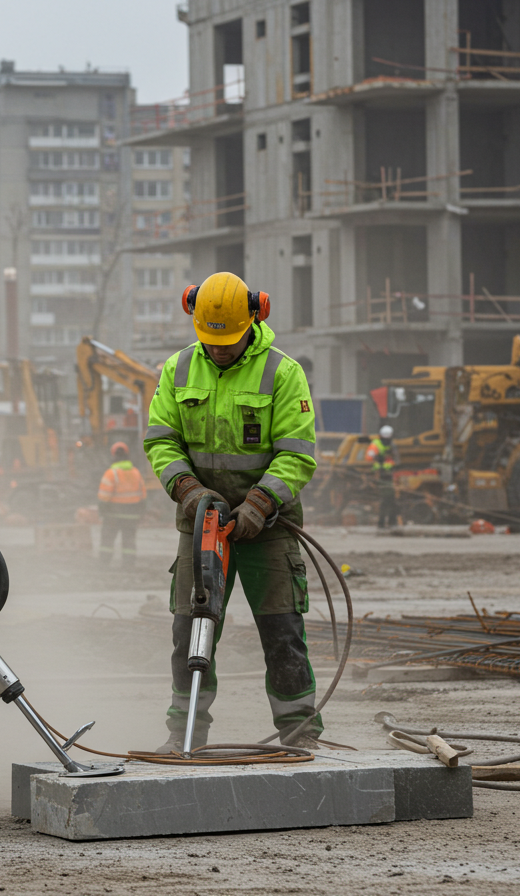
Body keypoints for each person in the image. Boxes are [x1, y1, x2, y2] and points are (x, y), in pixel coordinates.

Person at [144, 272, 320, 752]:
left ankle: (299, 734)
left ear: (254, 318)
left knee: (282, 631)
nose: (219, 349)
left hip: (270, 527)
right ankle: (185, 735)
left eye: (229, 340)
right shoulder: (178, 370)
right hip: (201, 525)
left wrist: (259, 503)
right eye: (211, 339)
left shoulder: (282, 373)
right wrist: (189, 491)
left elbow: (297, 453)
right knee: (191, 632)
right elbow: (161, 441)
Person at [96, 441, 147, 566]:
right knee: (129, 541)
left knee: (107, 540)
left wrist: (102, 511)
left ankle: (104, 563)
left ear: (113, 455)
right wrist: (141, 512)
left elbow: (103, 496)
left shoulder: (111, 473)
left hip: (113, 515)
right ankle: (129, 564)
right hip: (132, 515)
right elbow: (143, 495)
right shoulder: (136, 473)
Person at [366, 424, 399, 529]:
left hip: (389, 475)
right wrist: (377, 457)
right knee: (387, 499)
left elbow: (396, 460)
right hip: (380, 475)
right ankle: (384, 522)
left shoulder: (392, 445)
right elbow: (369, 457)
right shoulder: (375, 444)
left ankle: (390, 522)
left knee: (390, 499)